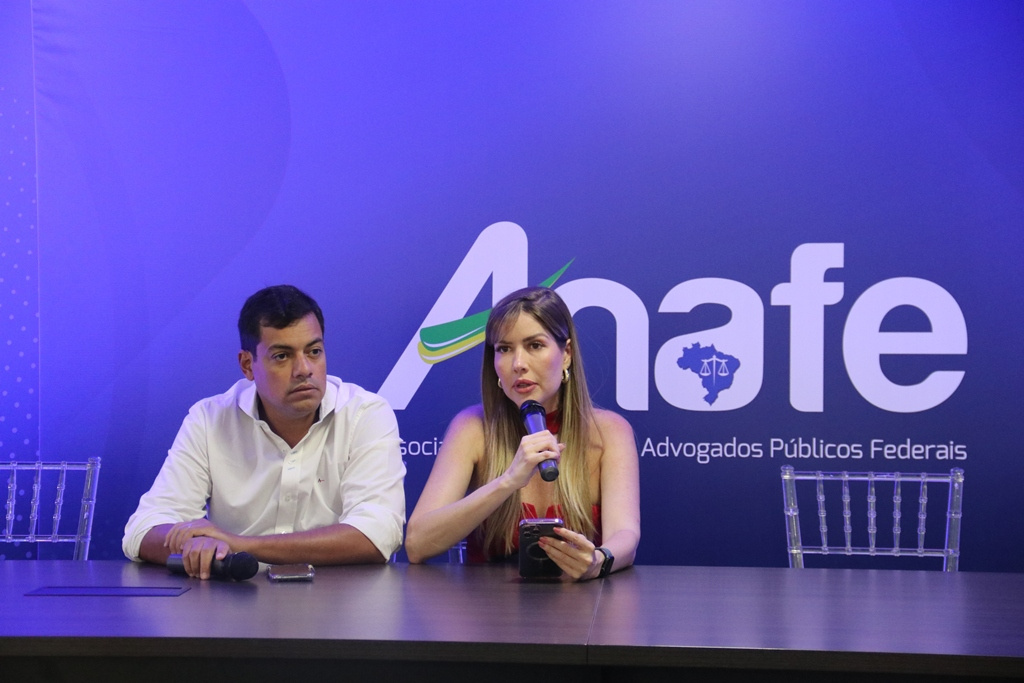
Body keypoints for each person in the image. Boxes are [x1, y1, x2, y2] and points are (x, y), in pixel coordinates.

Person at [123, 285, 406, 578]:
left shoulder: (364, 414)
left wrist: (237, 545)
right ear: (248, 365)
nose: (304, 369)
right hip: (234, 599)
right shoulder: (209, 419)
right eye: (282, 356)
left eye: (314, 352)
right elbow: (143, 529)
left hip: (343, 600)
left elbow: (377, 534)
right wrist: (196, 545)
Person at [405, 286, 640, 580]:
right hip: (486, 605)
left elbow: (625, 535)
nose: (518, 364)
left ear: (566, 354)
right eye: (504, 349)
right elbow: (417, 544)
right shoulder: (472, 427)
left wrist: (598, 560)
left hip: (581, 601)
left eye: (535, 345)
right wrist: (507, 482)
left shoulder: (610, 431)